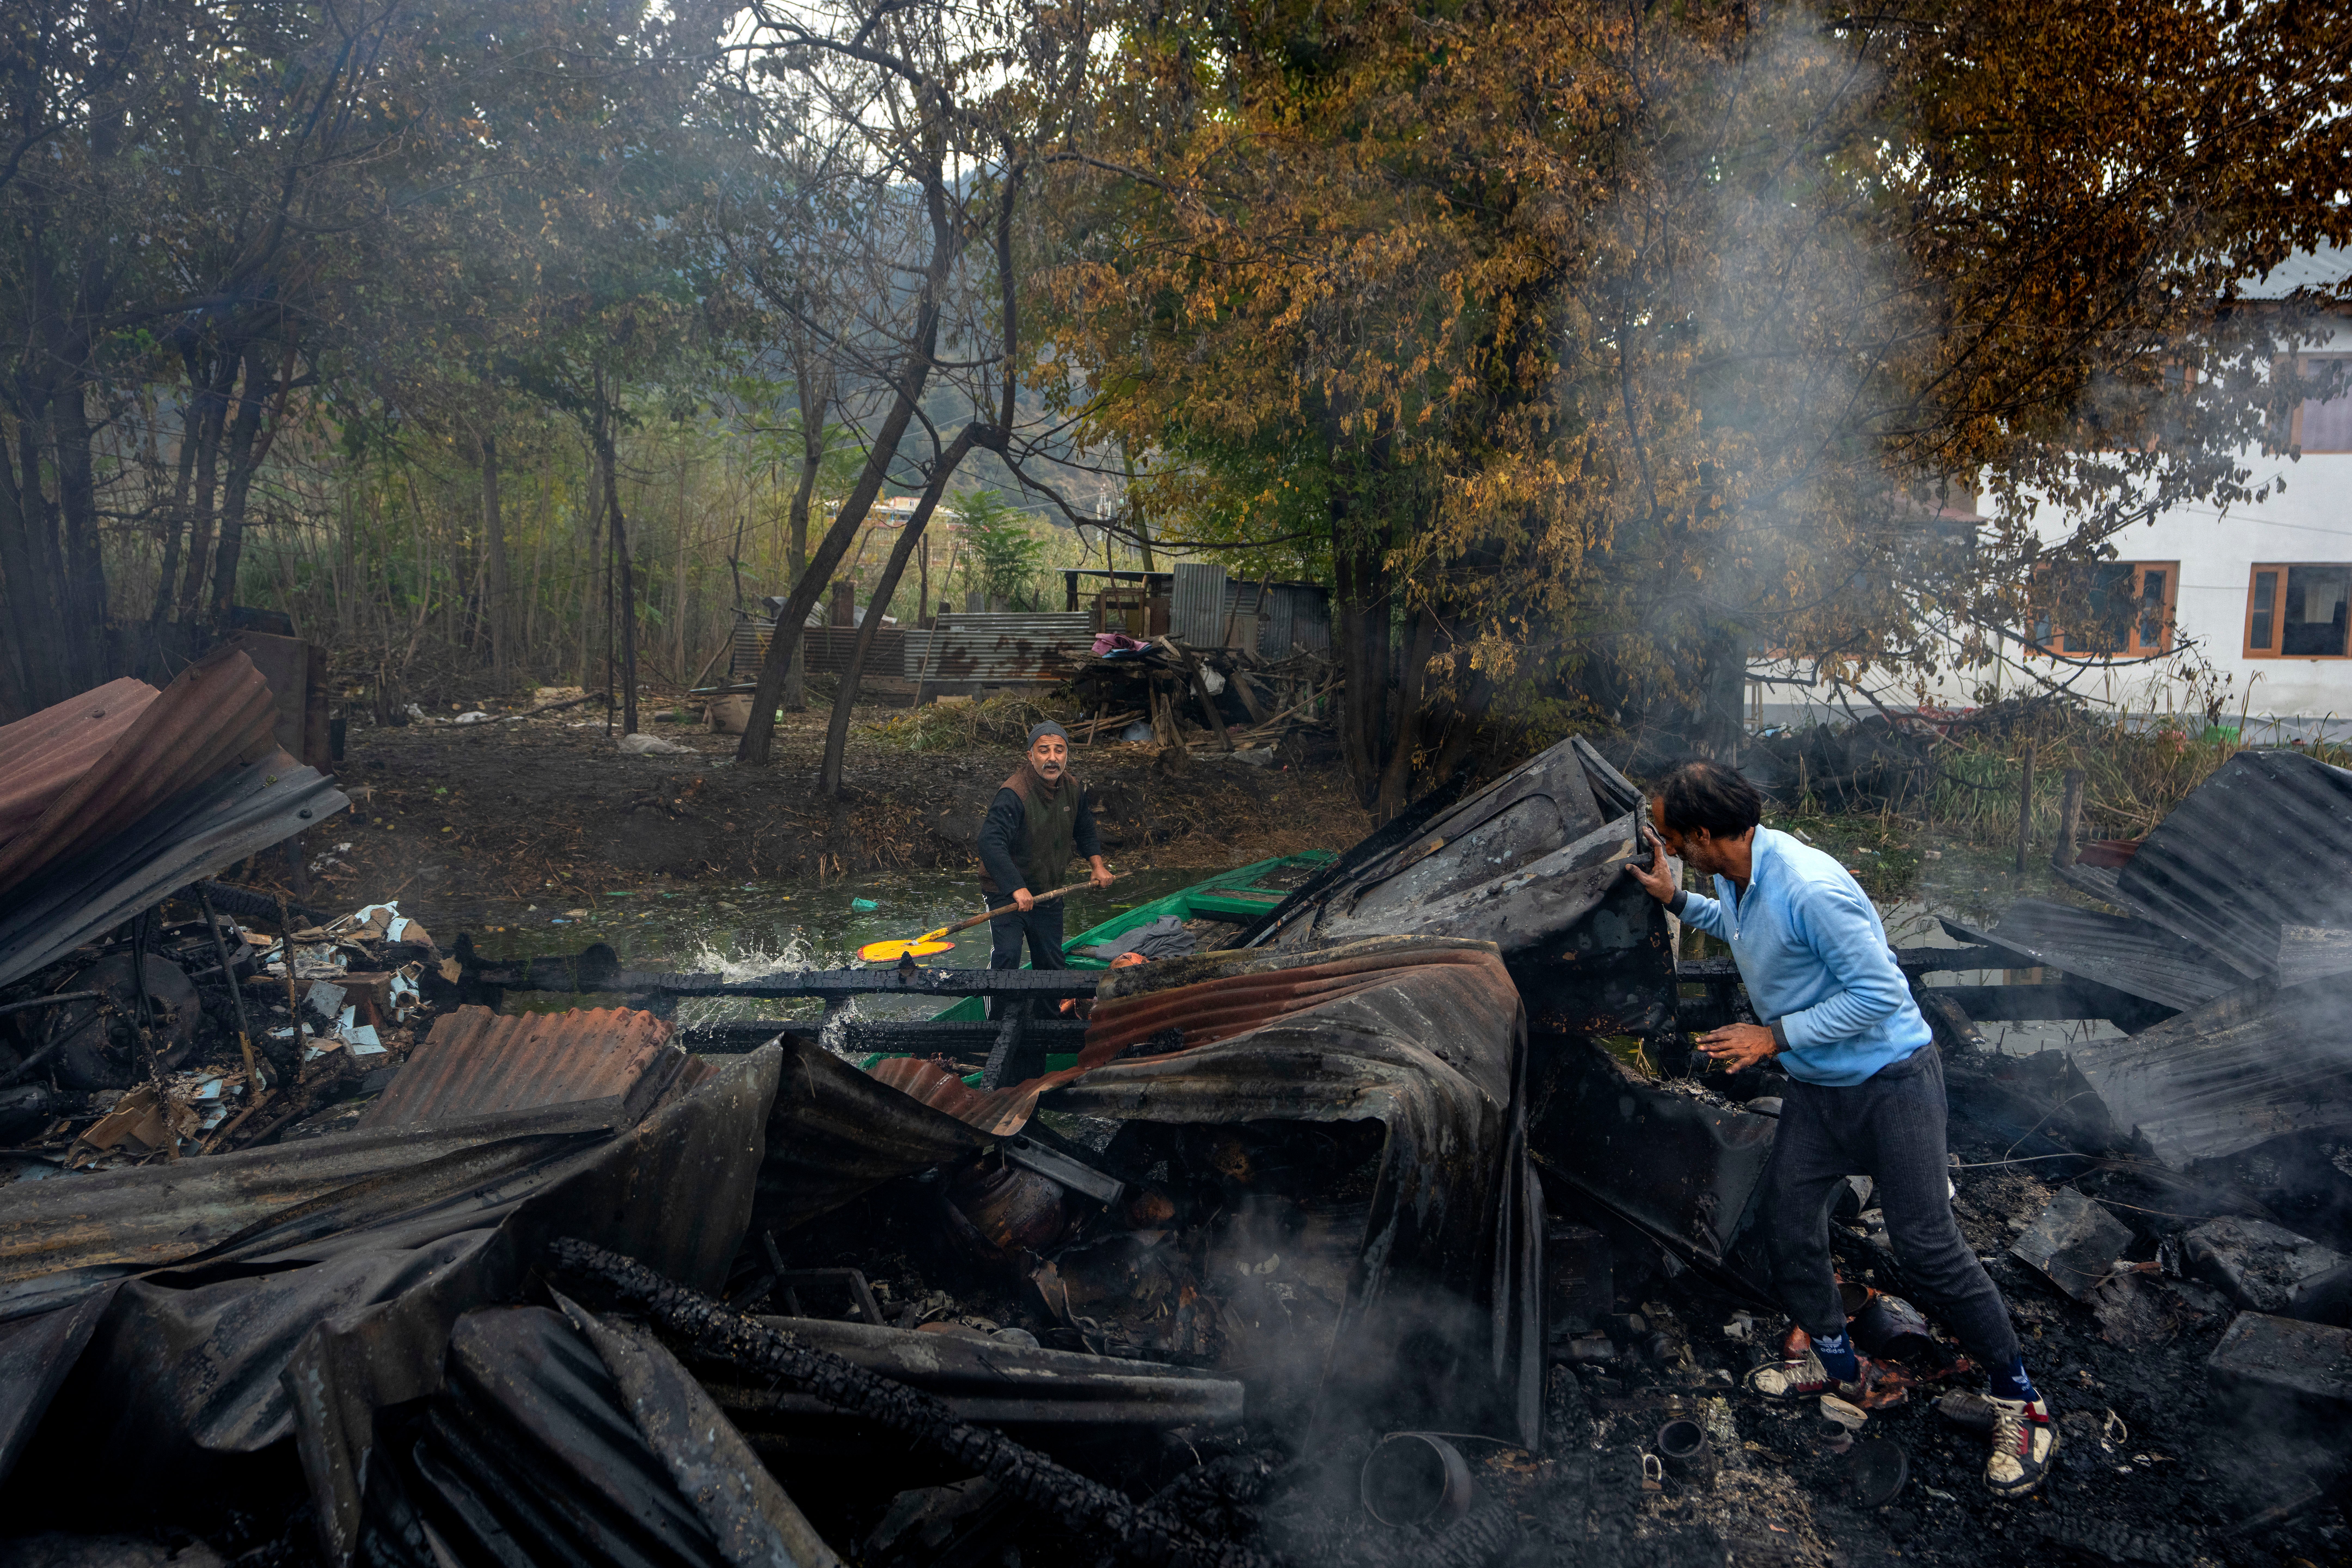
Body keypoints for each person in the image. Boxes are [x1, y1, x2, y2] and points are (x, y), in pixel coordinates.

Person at [1625, 758, 2059, 1498]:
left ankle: (2024, 1403)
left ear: (1701, 833)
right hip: (1822, 1092)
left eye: (1668, 840)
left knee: (1928, 1249)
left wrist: (1774, 1037)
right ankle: (1836, 1363)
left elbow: (1882, 994)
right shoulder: (1737, 873)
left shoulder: (1812, 888)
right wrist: (1677, 900)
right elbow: (1735, 926)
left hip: (1893, 1085)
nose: (1663, 846)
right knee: (1790, 1222)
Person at [978, 722, 1115, 974]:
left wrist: (1098, 866)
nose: (1052, 758)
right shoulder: (1014, 793)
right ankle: (1001, 1015)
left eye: (1059, 750)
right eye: (1044, 751)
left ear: (1067, 755)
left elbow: (1084, 829)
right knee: (1008, 955)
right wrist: (1017, 888)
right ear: (1031, 756)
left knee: (1051, 961)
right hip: (1005, 891)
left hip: (1048, 891)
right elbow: (990, 842)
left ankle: (1049, 1013)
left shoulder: (1073, 789)